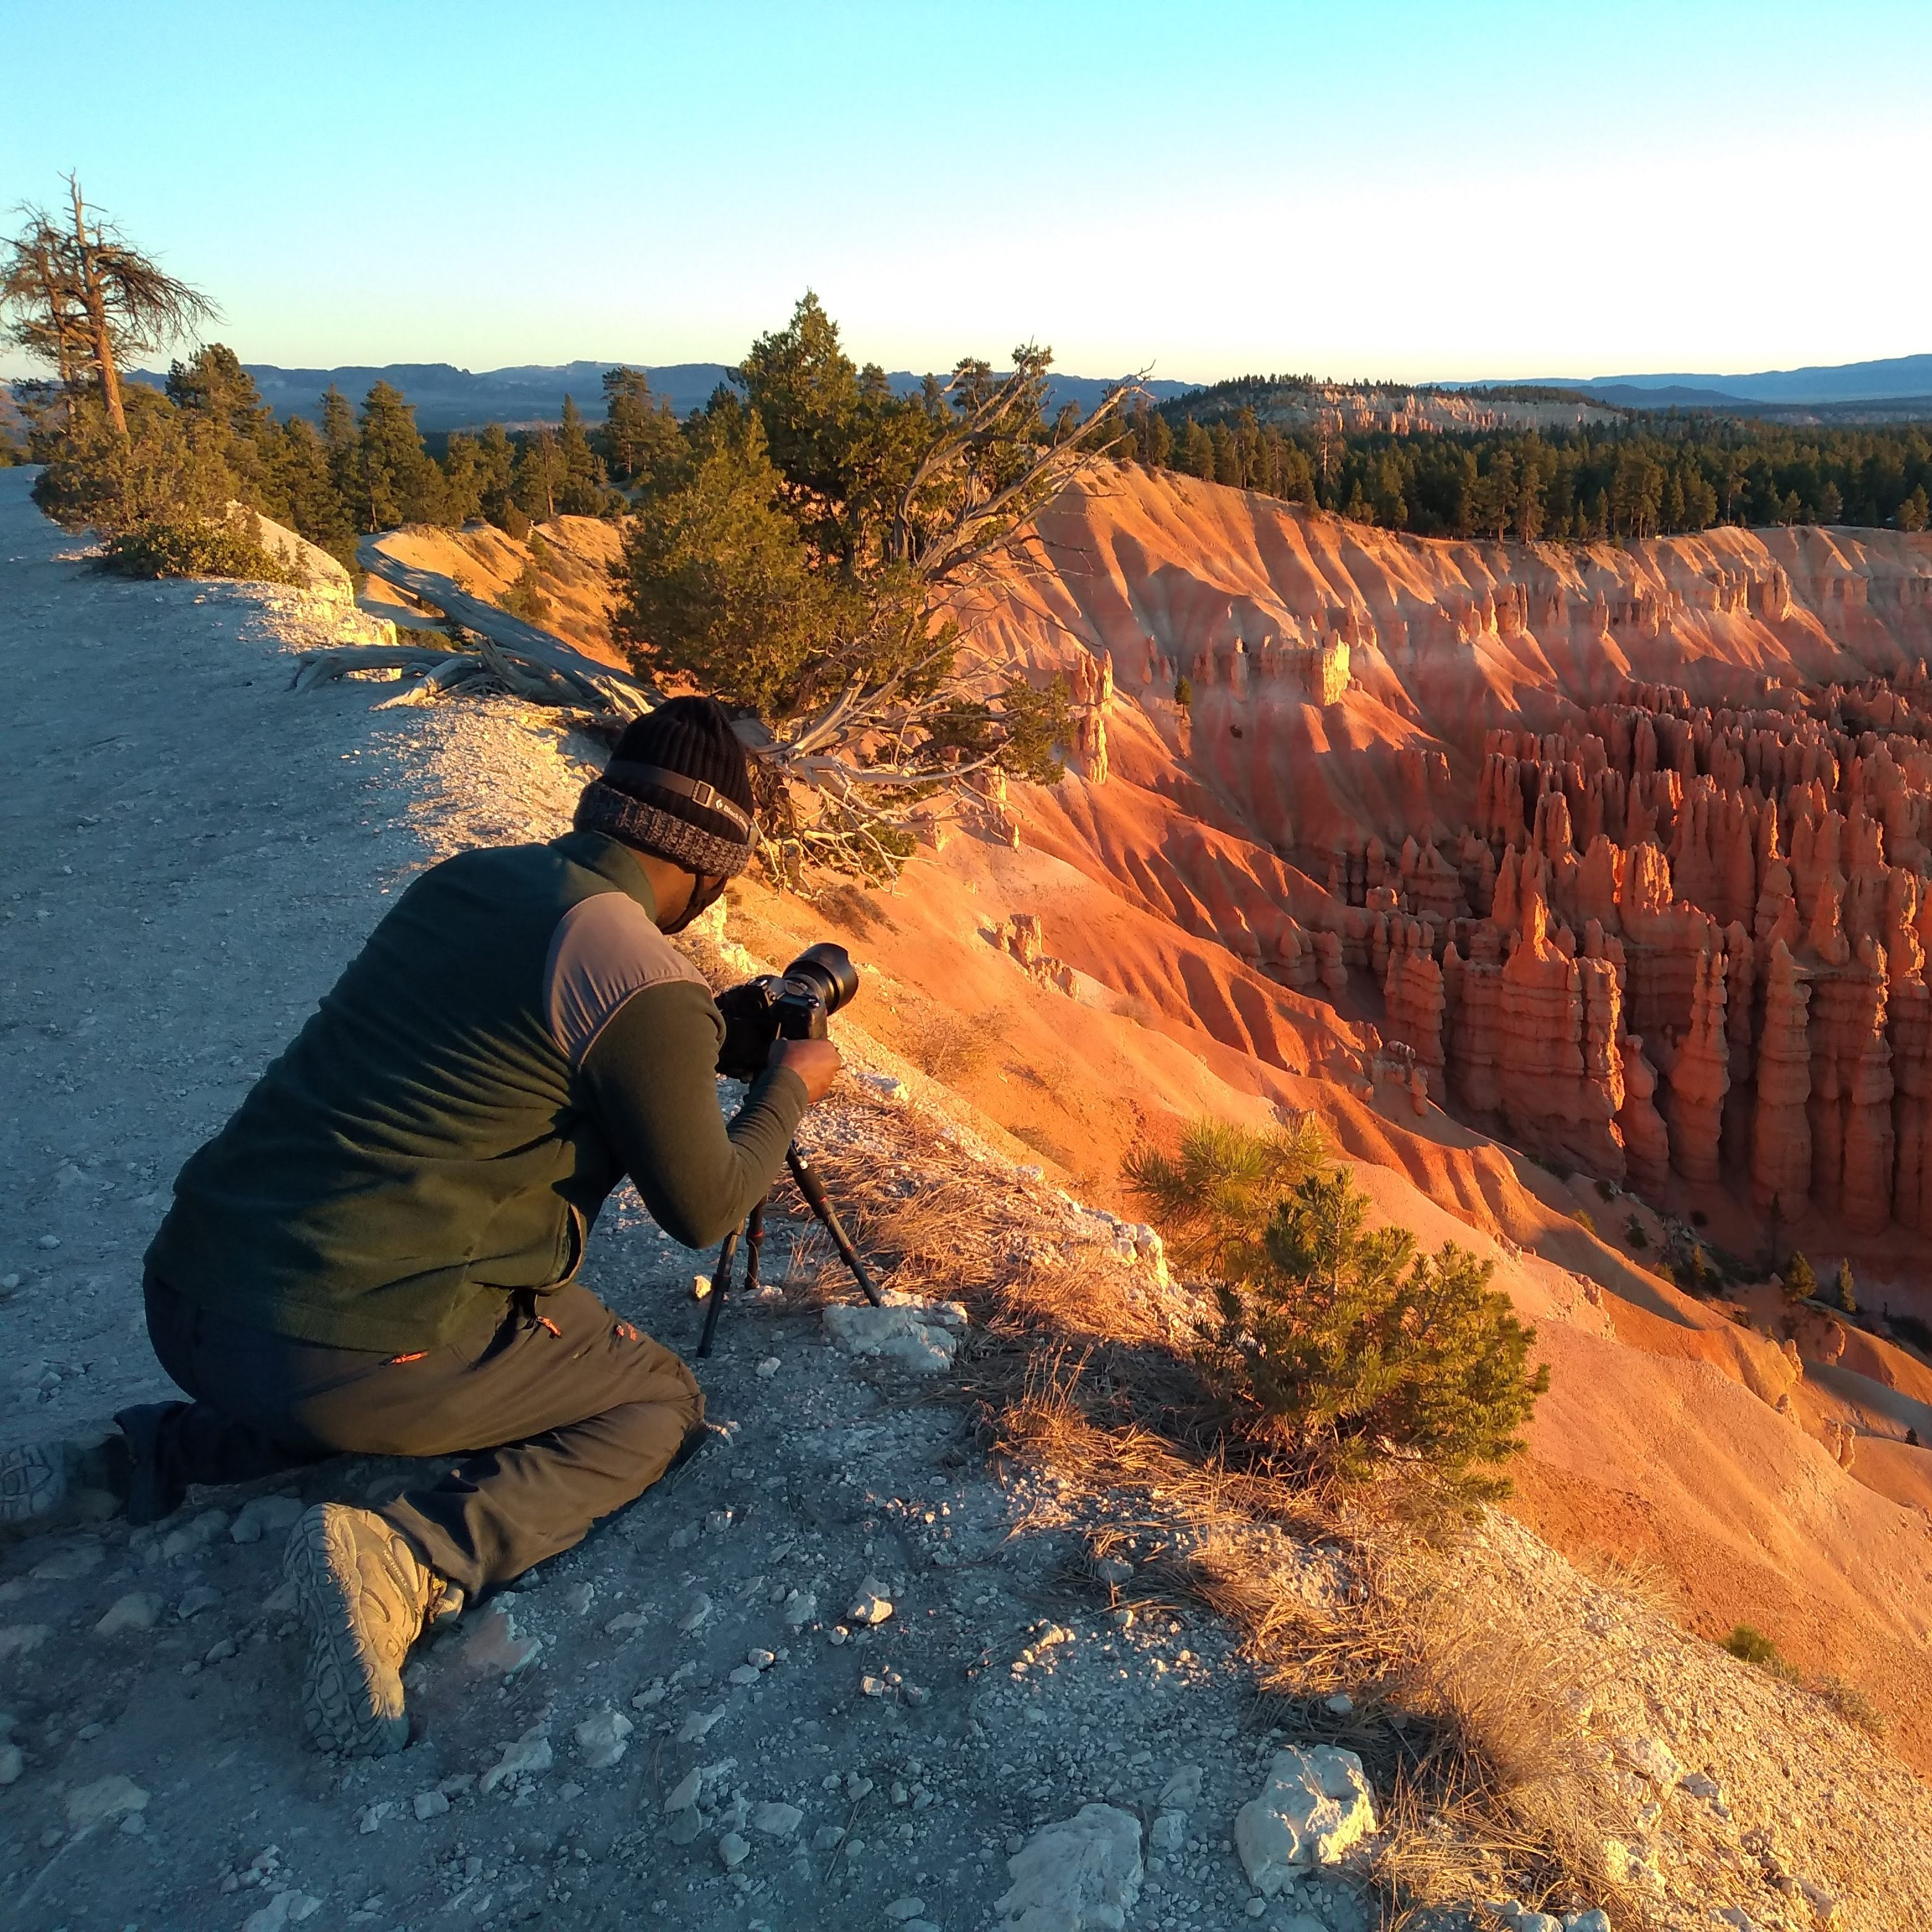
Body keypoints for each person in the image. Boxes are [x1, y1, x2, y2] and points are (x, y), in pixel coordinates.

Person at [0, 697, 840, 1756]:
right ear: (710, 868)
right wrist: (791, 1086)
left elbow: (515, 1034)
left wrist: (703, 1029)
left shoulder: (461, 882)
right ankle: (416, 1560)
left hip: (191, 1297)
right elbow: (709, 1205)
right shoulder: (645, 983)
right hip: (341, 1357)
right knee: (655, 1397)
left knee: (340, 1333)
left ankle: (126, 1459)